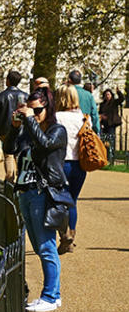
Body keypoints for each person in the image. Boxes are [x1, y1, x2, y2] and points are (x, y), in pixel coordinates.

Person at [11, 87, 67, 312]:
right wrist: (15, 129)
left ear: (48, 108)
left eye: (38, 110)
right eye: (31, 110)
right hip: (26, 190)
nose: (34, 114)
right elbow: (9, 148)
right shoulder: (29, 129)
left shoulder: (58, 130)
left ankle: (51, 297)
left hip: (44, 192)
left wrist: (29, 121)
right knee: (37, 244)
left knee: (46, 245)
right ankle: (53, 294)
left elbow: (45, 144)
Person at [53, 85, 87, 254]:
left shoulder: (57, 117)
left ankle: (65, 236)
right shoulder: (82, 117)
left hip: (62, 162)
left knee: (60, 201)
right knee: (72, 201)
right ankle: (71, 236)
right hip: (80, 164)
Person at [0, 70, 27, 181]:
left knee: (8, 155)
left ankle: (10, 179)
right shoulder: (25, 96)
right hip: (21, 129)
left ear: (8, 80)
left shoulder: (1, 96)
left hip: (5, 130)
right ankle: (21, 179)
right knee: (19, 155)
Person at [67, 70, 100, 134]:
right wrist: (96, 130)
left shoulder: (65, 93)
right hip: (85, 130)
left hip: (68, 130)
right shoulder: (88, 95)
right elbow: (94, 115)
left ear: (70, 80)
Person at [100, 88, 123, 163]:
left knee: (111, 140)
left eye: (109, 94)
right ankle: (105, 156)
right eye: (106, 95)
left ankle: (111, 157)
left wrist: (118, 92)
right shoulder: (102, 104)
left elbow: (121, 99)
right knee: (104, 141)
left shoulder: (114, 103)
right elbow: (100, 113)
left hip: (111, 124)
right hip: (104, 124)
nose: (107, 96)